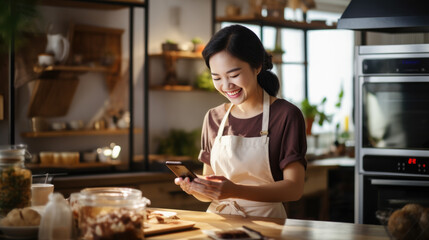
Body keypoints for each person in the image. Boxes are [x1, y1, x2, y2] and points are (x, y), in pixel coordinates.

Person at [175, 24, 307, 218]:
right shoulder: (214, 118)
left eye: (234, 75)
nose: (226, 86)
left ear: (257, 66)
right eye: (217, 77)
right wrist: (195, 188)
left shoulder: (286, 115)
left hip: (268, 224)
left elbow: (294, 189)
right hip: (218, 223)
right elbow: (209, 193)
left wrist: (234, 191)